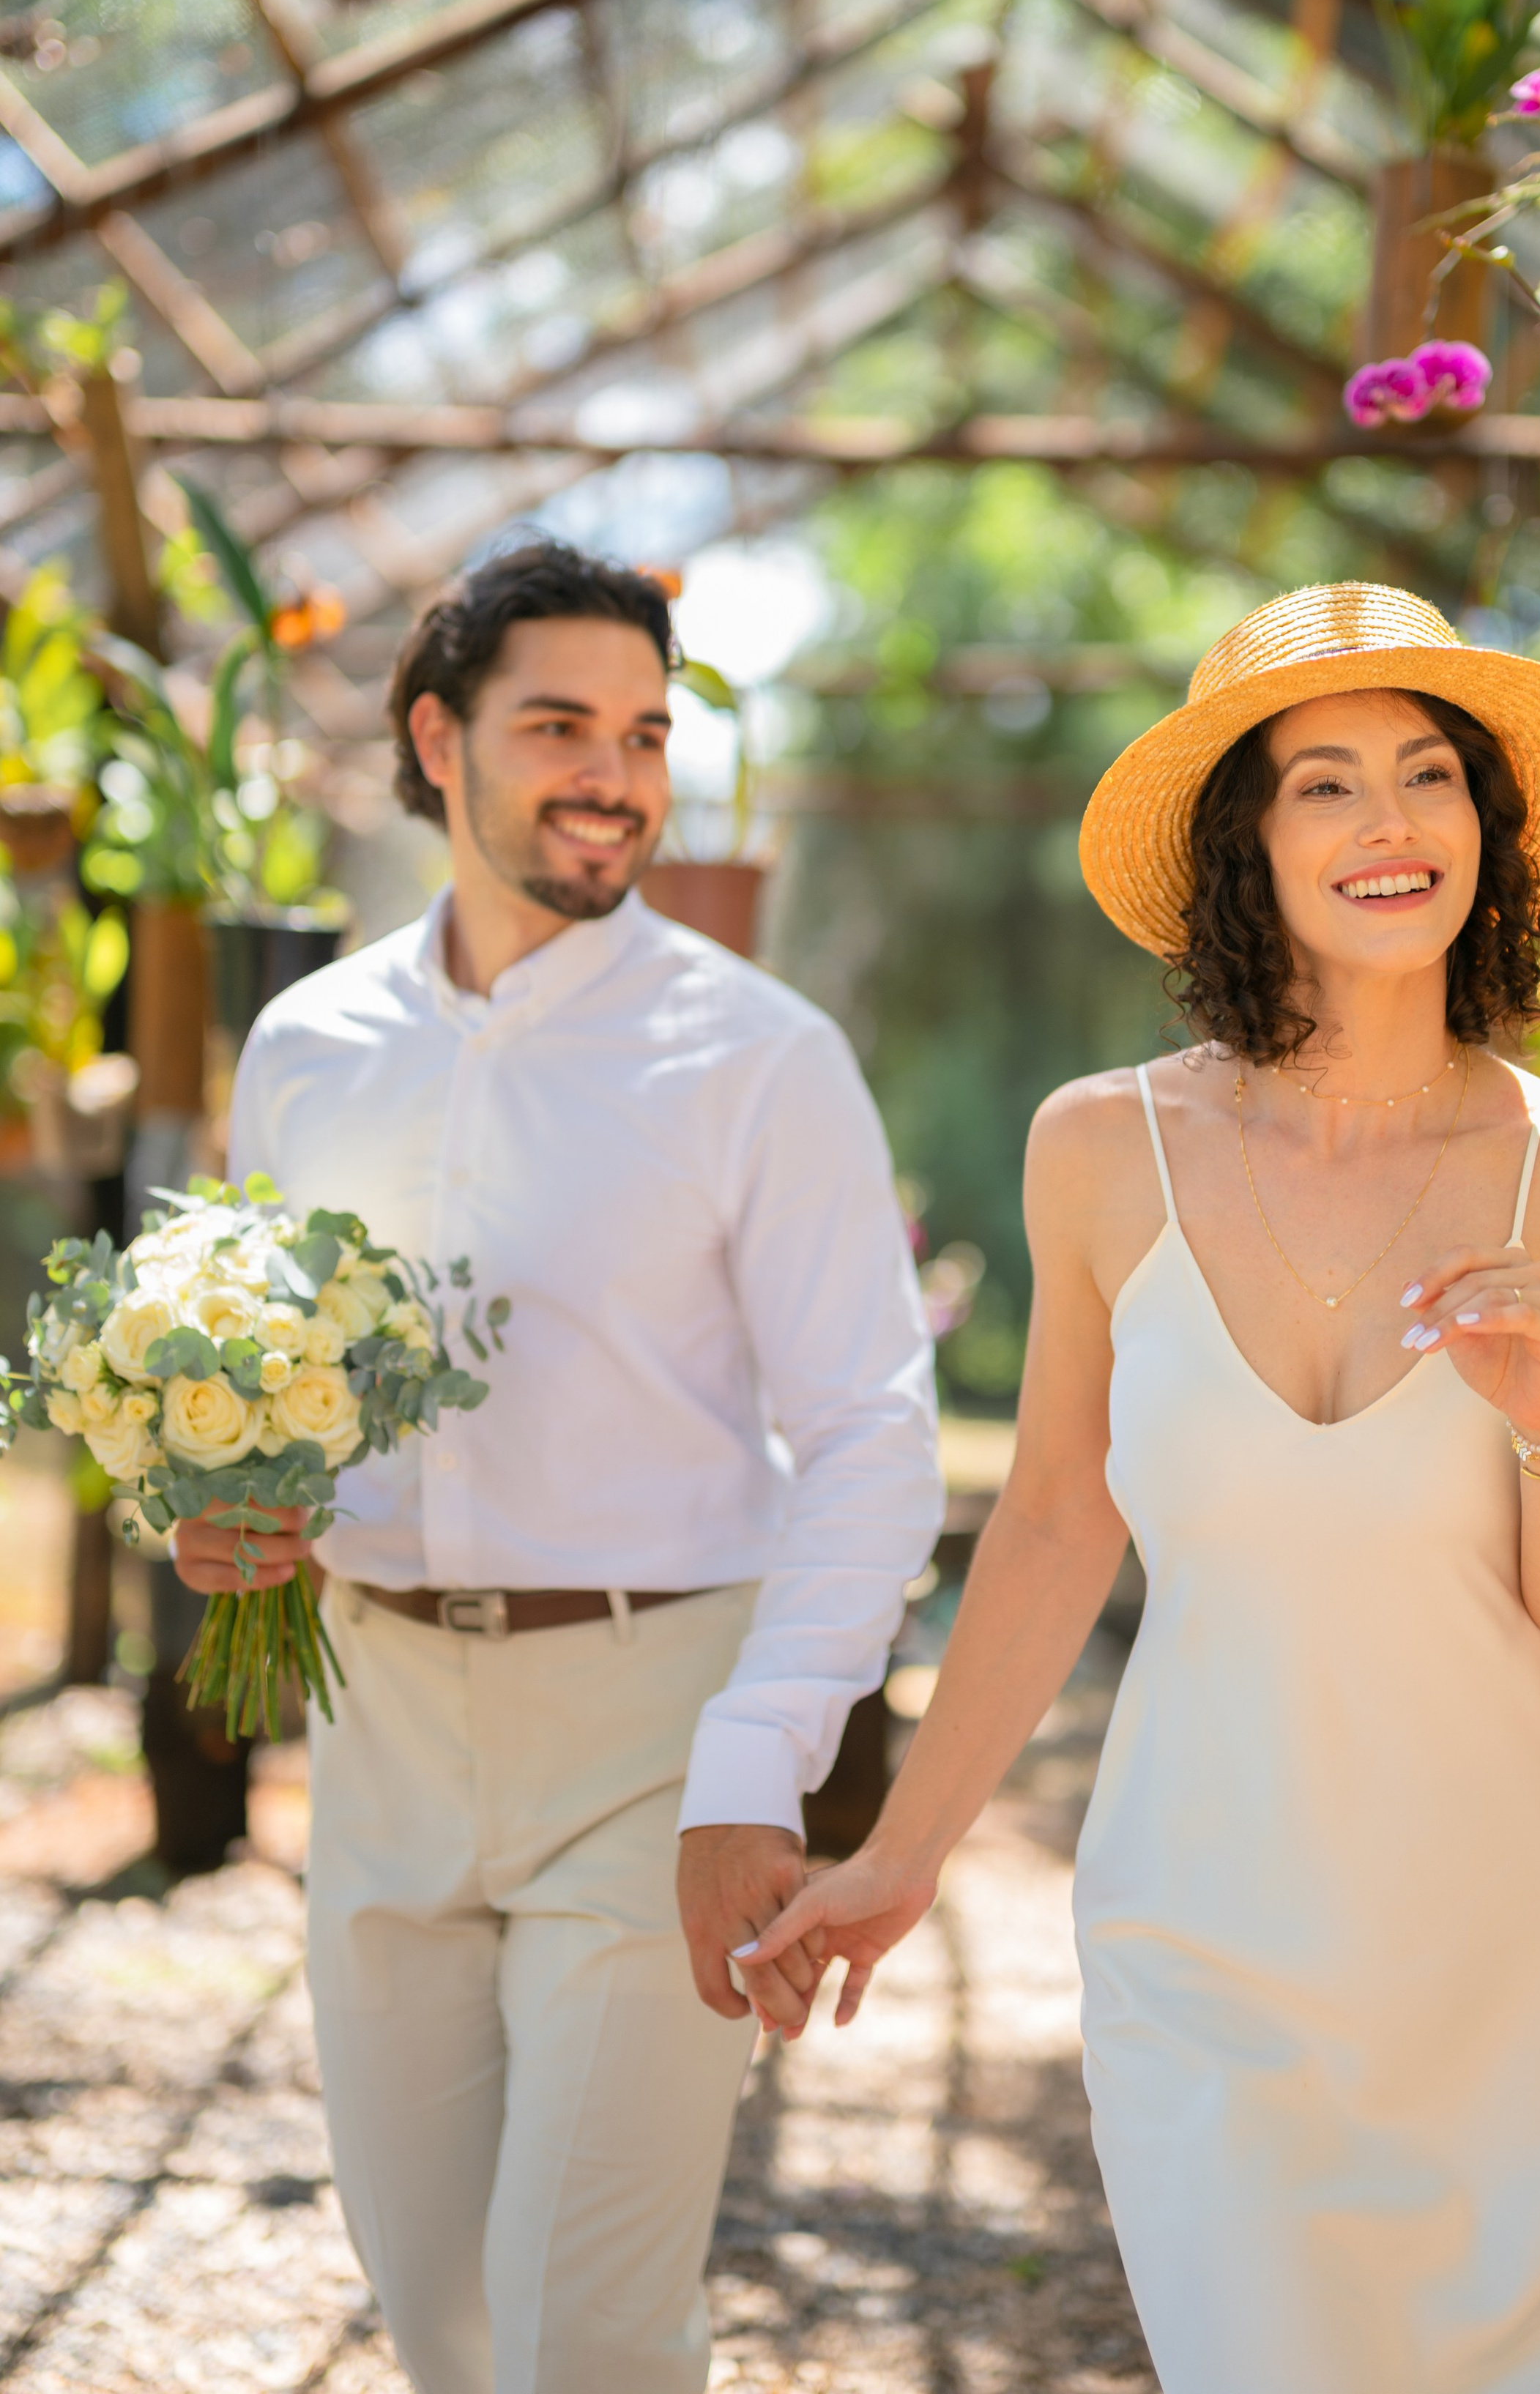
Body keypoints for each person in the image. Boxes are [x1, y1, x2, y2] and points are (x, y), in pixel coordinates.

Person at [748, 581, 1540, 2394]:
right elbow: (1051, 1521)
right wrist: (896, 1855)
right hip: (1201, 1929)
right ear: (1245, 848)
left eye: (1427, 774)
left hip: (1505, 1949)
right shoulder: (1101, 1150)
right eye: (1322, 784)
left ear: (1485, 828)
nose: (1388, 821)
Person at [173, 537, 941, 2394]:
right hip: (376, 1731)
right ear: (437, 740)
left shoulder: (758, 1060)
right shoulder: (304, 1047)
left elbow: (870, 1431)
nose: (612, 775)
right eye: (557, 727)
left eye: (644, 734)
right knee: (439, 2319)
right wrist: (216, 1507)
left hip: (652, 1734)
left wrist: (758, 1766)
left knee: (581, 2328)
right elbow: (246, 1363)